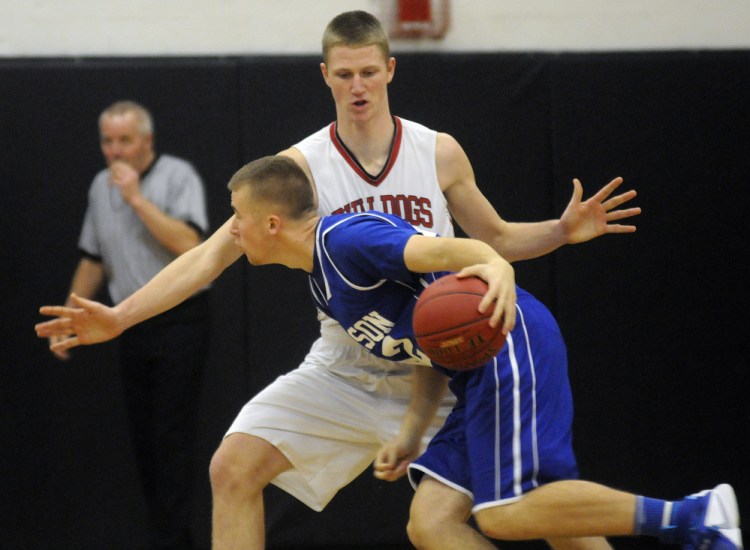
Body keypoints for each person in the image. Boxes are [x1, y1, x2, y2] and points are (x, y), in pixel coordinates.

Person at [38, 11, 641, 549]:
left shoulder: (439, 152)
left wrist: (560, 232)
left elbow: (498, 240)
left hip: (441, 362)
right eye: (345, 74)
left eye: (369, 73)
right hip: (347, 363)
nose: (358, 86)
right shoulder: (298, 167)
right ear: (325, 75)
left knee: (538, 504)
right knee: (232, 467)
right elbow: (209, 256)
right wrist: (119, 318)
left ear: (390, 70)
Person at [37, 156, 742, 550]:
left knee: (506, 513)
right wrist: (410, 434)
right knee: (433, 524)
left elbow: (447, 249)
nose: (233, 233)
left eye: (238, 221)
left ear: (271, 223)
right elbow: (428, 350)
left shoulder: (347, 240)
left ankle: (693, 515)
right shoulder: (323, 278)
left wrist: (495, 268)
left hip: (511, 338)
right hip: (469, 365)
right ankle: (686, 519)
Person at [50, 100, 211, 549]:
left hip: (179, 319)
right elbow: (93, 258)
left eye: (125, 140)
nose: (115, 151)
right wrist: (70, 313)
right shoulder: (100, 186)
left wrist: (136, 198)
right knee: (143, 440)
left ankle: (175, 540)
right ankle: (164, 536)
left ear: (147, 142)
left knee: (171, 435)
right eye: (108, 141)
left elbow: (191, 244)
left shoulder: (178, 176)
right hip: (127, 322)